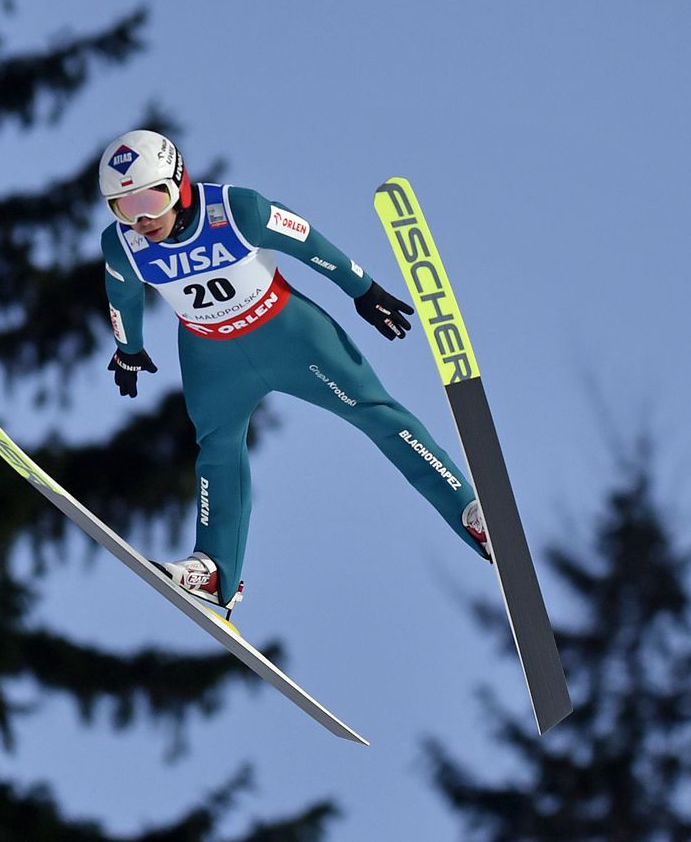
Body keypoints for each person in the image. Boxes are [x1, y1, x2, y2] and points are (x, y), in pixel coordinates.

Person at [98, 129, 488, 616]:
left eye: (151, 197)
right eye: (123, 206)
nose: (143, 218)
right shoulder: (123, 246)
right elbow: (123, 296)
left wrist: (362, 289)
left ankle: (470, 511)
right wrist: (128, 347)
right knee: (217, 452)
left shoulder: (239, 212)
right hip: (211, 357)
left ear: (179, 181)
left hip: (289, 336)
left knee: (377, 415)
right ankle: (216, 570)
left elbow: (307, 240)